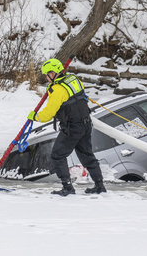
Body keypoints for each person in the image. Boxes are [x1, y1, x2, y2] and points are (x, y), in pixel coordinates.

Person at [27, 58, 106, 196]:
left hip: (72, 127)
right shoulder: (73, 79)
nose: (46, 78)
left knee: (57, 155)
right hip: (86, 123)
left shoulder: (58, 89)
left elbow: (47, 114)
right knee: (87, 155)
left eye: (47, 75)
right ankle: (100, 185)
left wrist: (33, 116)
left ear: (53, 73)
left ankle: (67, 187)